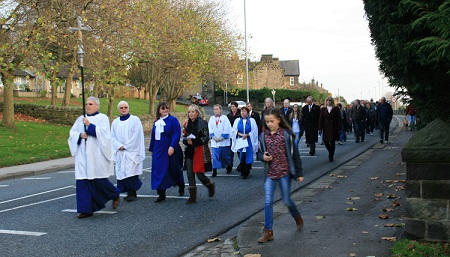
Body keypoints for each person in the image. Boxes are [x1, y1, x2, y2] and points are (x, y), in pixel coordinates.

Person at [257, 108, 304, 243]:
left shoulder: (286, 135)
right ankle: (268, 231)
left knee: (286, 200)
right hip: (270, 174)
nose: (269, 124)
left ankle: (296, 216)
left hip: (284, 172)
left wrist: (299, 173)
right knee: (268, 201)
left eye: (272, 121)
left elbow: (295, 155)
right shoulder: (263, 136)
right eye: (267, 122)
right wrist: (263, 157)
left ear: (278, 120)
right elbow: (259, 153)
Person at [68, 96, 120, 219]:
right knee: (83, 182)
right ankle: (85, 209)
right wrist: (80, 135)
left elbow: (104, 135)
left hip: (96, 155)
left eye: (91, 104)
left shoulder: (102, 118)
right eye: (87, 104)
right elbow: (72, 133)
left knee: (99, 181)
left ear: (97, 106)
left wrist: (89, 126)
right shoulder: (81, 118)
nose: (88, 106)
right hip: (83, 155)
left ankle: (114, 194)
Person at [149, 102, 185, 203]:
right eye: (163, 108)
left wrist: (172, 146)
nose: (165, 110)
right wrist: (152, 149)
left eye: (166, 108)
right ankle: (161, 193)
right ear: (159, 110)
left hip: (169, 147)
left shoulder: (173, 120)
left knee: (174, 168)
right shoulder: (156, 122)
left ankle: (180, 184)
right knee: (158, 171)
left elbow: (176, 133)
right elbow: (153, 136)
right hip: (158, 149)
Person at [111, 101, 145, 202]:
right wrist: (119, 146)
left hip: (131, 151)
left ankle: (132, 192)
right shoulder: (115, 122)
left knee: (131, 172)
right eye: (121, 107)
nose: (123, 109)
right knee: (122, 172)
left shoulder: (135, 120)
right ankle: (126, 191)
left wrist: (126, 146)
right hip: (120, 152)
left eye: (125, 107)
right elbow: (112, 136)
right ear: (118, 109)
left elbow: (137, 136)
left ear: (128, 108)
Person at [183, 105, 215, 204]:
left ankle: (210, 185)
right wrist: (186, 141)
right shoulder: (187, 124)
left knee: (200, 174)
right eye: (189, 112)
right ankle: (192, 197)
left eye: (193, 112)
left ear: (197, 113)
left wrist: (195, 141)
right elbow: (184, 136)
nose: (191, 114)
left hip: (200, 150)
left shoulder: (203, 123)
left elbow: (206, 138)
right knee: (189, 174)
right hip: (189, 150)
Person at [231, 107, 258, 179]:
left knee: (248, 155)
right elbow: (234, 130)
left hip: (249, 140)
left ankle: (246, 171)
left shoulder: (251, 121)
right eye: (242, 111)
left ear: (247, 113)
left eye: (244, 111)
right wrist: (241, 135)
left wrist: (248, 135)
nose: (243, 113)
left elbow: (255, 131)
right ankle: (242, 170)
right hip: (241, 140)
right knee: (241, 155)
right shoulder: (237, 121)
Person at [208, 104, 232, 177]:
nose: (216, 111)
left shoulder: (224, 118)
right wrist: (214, 137)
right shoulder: (211, 118)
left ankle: (228, 165)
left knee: (225, 156)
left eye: (217, 109)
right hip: (215, 142)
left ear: (220, 110)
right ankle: (214, 170)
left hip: (224, 142)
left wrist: (221, 137)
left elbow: (227, 128)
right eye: (214, 109)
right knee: (215, 157)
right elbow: (210, 128)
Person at [318, 97, 341, 162]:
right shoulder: (323, 109)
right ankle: (330, 151)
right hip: (326, 127)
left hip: (333, 127)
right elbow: (321, 119)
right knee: (326, 141)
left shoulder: (336, 109)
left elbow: (338, 119)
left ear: (332, 101)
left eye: (330, 100)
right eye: (327, 100)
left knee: (332, 141)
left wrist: (339, 128)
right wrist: (320, 128)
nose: (328, 102)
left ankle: (331, 156)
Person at [226, 101, 241, 173]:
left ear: (236, 107)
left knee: (239, 152)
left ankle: (242, 166)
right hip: (231, 136)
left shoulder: (240, 115)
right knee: (230, 152)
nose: (232, 108)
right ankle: (229, 166)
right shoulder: (228, 115)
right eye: (231, 107)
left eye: (234, 106)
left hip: (238, 135)